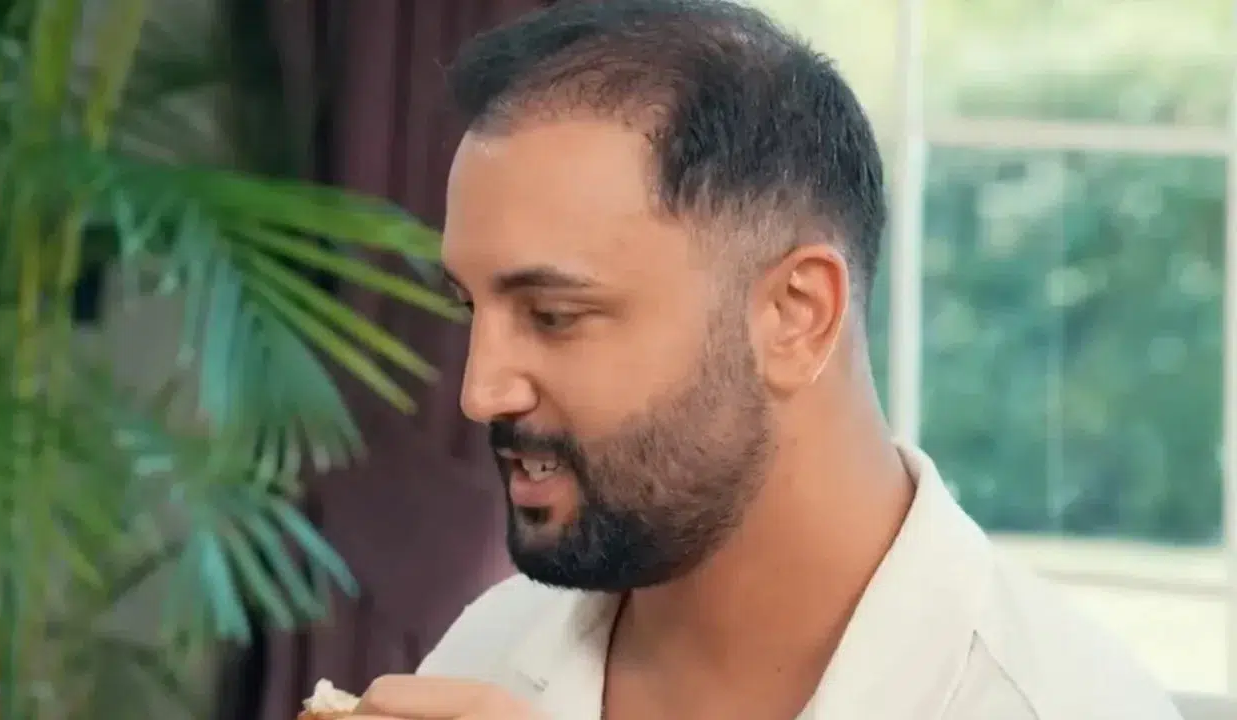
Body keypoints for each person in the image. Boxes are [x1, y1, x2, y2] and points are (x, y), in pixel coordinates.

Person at [345, 1, 1184, 718]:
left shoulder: (1062, 703)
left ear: (796, 314)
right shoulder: (488, 651)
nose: (481, 391)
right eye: (470, 308)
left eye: (554, 316)